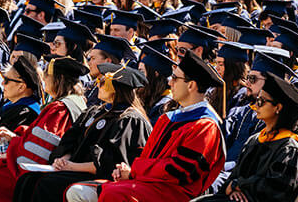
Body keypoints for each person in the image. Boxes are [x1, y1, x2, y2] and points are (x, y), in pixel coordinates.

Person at [69, 51, 225, 202]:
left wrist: (134, 171)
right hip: (149, 184)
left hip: (174, 193)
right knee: (77, 190)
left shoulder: (205, 126)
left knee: (111, 193)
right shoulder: (168, 118)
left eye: (175, 78)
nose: (170, 82)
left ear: (191, 85)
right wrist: (128, 172)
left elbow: (180, 171)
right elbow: (147, 157)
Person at [11, 63, 151, 202]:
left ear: (115, 88)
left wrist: (72, 166)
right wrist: (64, 158)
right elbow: (70, 139)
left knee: (47, 184)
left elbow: (110, 163)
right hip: (74, 169)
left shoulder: (129, 120)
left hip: (97, 176)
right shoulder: (96, 111)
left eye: (102, 82)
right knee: (28, 180)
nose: (97, 85)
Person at [0, 56, 87, 202]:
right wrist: (15, 137)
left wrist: (13, 145)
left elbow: (40, 151)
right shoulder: (76, 102)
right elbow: (45, 138)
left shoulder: (60, 108)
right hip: (54, 166)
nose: (44, 81)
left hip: (40, 172)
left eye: (47, 77)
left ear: (59, 79)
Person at [196, 69, 298, 202]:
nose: (256, 105)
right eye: (257, 100)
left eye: (262, 101)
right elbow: (233, 177)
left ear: (278, 108)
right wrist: (231, 186)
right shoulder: (255, 139)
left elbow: (275, 190)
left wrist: (238, 186)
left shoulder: (290, 149)